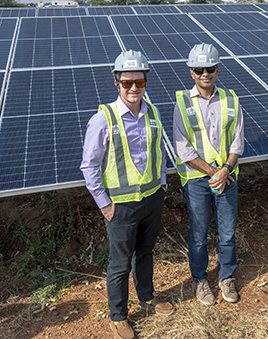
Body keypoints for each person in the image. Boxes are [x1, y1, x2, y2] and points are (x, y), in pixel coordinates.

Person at [81, 50, 172, 339]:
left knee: (145, 253)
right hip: (119, 206)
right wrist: (104, 204)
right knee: (120, 263)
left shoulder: (153, 111)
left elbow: (158, 151)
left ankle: (146, 297)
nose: (134, 88)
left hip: (151, 200)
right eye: (127, 82)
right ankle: (119, 315)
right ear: (117, 83)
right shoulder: (103, 118)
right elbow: (89, 165)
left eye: (140, 82)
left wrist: (162, 184)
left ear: (146, 82)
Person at [173, 43, 244, 305]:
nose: (205, 74)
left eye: (210, 68)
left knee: (227, 233)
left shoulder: (231, 99)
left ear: (217, 69)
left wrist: (226, 170)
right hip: (197, 181)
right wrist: (215, 172)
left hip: (227, 178)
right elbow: (183, 148)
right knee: (198, 234)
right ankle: (200, 280)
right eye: (199, 69)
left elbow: (238, 141)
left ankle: (226, 276)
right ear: (191, 72)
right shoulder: (182, 102)